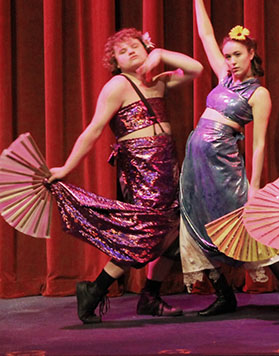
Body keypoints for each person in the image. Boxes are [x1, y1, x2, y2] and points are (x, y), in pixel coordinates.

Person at [48, 28, 203, 324]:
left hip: (166, 165)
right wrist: (67, 168)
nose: (131, 52)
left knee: (172, 232)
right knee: (144, 234)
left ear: (147, 50)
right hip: (142, 169)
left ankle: (150, 296)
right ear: (116, 63)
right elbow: (93, 130)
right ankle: (94, 290)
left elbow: (196, 69)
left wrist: (161, 55)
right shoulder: (117, 85)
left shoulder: (157, 82)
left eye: (136, 46)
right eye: (123, 51)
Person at [176, 0, 279, 321]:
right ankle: (223, 295)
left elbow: (260, 142)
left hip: (225, 167)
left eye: (236, 55)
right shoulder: (222, 78)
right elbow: (205, 34)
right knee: (197, 227)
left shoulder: (258, 93)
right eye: (227, 55)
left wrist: (255, 186)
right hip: (196, 166)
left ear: (251, 53)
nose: (230, 61)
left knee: (248, 230)